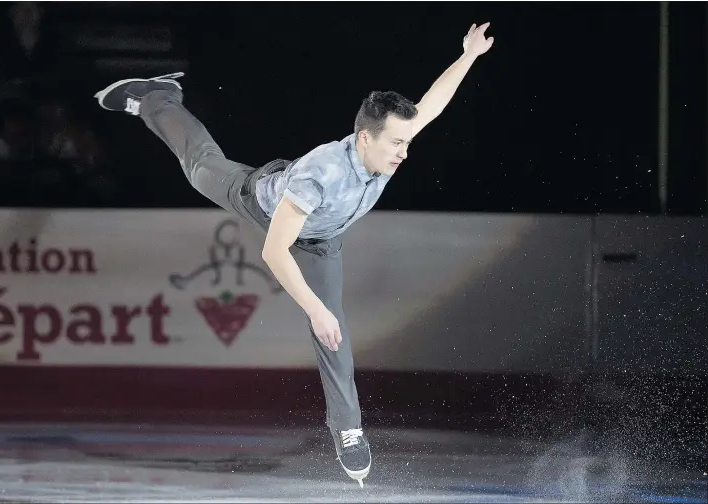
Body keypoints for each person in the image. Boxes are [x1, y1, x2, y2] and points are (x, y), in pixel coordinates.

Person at [94, 22, 493, 486]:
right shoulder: (319, 175)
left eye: (406, 141)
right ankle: (156, 98)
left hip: (322, 239)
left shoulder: (385, 144)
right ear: (365, 138)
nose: (405, 153)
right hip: (262, 203)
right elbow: (275, 250)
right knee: (199, 166)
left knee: (334, 335)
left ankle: (347, 428)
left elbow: (431, 106)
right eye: (397, 143)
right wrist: (315, 310)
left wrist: (468, 56)